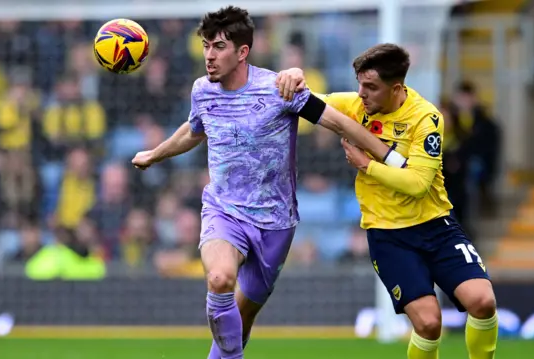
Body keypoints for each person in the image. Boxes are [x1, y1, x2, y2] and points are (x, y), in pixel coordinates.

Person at [131, 7, 407, 359]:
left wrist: (392, 157)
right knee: (219, 281)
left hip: (274, 223)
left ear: (242, 52)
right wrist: (155, 153)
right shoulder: (202, 90)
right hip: (223, 209)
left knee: (241, 322)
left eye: (218, 47)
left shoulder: (280, 90)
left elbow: (340, 123)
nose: (209, 56)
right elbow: (195, 129)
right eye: (205, 46)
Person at [277, 44, 498, 359]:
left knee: (482, 301)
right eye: (359, 84)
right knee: (428, 322)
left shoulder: (425, 117)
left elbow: (419, 184)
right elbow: (306, 101)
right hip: (388, 235)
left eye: (370, 87)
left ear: (396, 88)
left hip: (436, 225)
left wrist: (367, 165)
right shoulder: (355, 105)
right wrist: (294, 75)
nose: (361, 93)